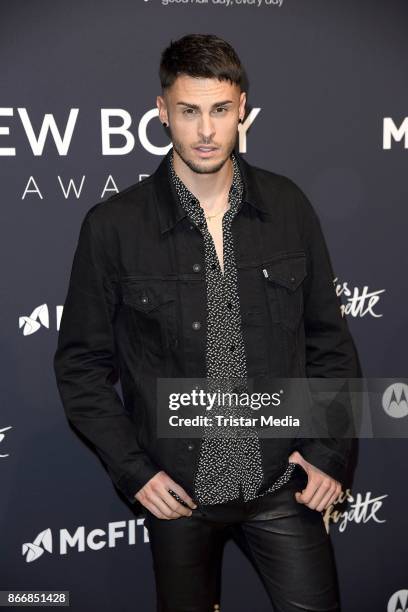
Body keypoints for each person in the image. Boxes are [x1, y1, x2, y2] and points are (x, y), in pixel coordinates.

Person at [54, 33, 362, 612]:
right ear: (161, 111)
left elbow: (330, 344)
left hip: (281, 484)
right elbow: (80, 366)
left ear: (242, 107)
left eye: (220, 110)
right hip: (179, 495)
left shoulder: (288, 206)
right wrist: (135, 472)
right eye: (189, 111)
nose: (204, 132)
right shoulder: (113, 227)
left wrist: (329, 452)